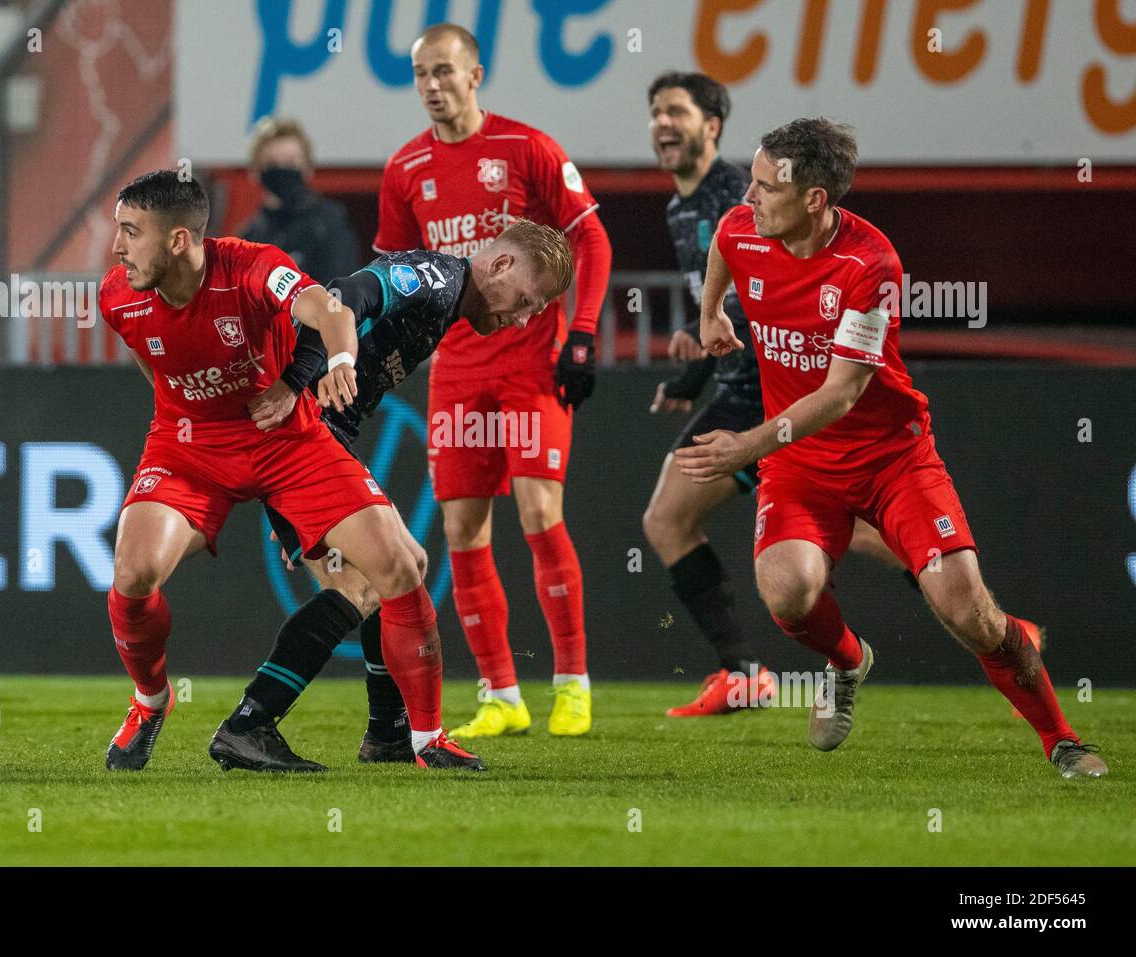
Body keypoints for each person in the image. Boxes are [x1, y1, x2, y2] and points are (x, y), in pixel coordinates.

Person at [675, 119, 1107, 779]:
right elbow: (726, 249)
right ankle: (848, 660)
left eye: (766, 187)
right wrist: (710, 312)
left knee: (969, 612)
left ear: (815, 200)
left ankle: (1062, 737)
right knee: (788, 592)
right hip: (801, 463)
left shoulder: (870, 265)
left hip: (890, 457)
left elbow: (843, 393)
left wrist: (746, 445)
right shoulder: (743, 227)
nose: (749, 197)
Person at [99, 169, 478, 772]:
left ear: (177, 240)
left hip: (289, 443)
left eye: (130, 231)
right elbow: (158, 367)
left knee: (400, 566)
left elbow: (330, 310)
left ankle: (426, 740)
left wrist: (342, 358)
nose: (117, 247)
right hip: (187, 448)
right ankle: (151, 700)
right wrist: (181, 417)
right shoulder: (117, 296)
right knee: (133, 574)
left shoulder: (252, 265)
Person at [214, 219, 576, 770]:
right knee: (377, 581)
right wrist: (309, 374)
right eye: (526, 300)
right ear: (500, 264)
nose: (522, 319)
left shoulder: (446, 302)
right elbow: (343, 297)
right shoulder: (433, 278)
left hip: (309, 442)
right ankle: (252, 723)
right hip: (299, 439)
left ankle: (385, 733)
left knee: (396, 571)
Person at [641, 72, 905, 718]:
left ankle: (976, 609)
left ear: (713, 126)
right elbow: (729, 293)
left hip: (774, 391)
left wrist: (702, 367)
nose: (663, 124)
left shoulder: (744, 192)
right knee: (674, 517)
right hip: (741, 385)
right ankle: (744, 673)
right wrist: (698, 353)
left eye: (677, 111)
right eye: (656, 113)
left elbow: (776, 297)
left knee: (676, 517)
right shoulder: (685, 206)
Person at [376, 23, 612, 740]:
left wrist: (583, 332)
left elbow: (590, 237)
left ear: (476, 74)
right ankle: (500, 692)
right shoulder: (404, 167)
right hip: (455, 365)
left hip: (530, 359)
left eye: (444, 71)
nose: (431, 86)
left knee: (540, 513)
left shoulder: (525, 147)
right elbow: (392, 270)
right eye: (420, 74)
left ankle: (571, 681)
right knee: (461, 528)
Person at [238, 116, 360, 282]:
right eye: (272, 163)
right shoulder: (249, 236)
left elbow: (340, 295)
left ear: (308, 168)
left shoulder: (328, 224)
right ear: (254, 171)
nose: (282, 171)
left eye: (290, 163)